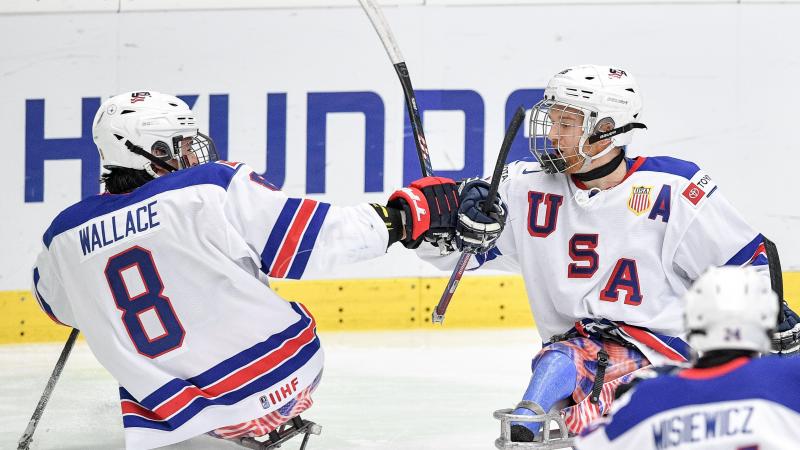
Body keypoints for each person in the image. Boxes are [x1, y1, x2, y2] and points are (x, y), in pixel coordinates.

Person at [31, 91, 502, 449]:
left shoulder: (61, 237)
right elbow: (318, 240)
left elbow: (60, 311)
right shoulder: (209, 187)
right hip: (278, 384)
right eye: (178, 145)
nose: (191, 155)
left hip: (169, 417)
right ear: (146, 151)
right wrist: (405, 215)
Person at [414, 65, 800, 446]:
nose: (552, 134)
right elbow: (455, 252)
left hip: (663, 359)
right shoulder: (525, 187)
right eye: (552, 121)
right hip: (577, 362)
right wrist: (454, 227)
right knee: (564, 361)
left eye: (566, 124)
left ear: (605, 130)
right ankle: (543, 418)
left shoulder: (673, 189)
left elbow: (747, 264)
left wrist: (769, 309)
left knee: (566, 362)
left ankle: (537, 418)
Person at [575, 266, 800, 449]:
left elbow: (587, 443)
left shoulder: (648, 399)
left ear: (692, 321)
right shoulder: (790, 379)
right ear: (765, 322)